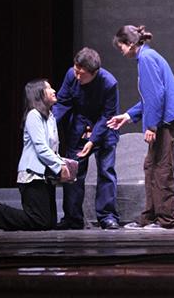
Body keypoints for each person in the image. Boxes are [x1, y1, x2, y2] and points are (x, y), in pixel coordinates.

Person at [107, 25, 174, 230]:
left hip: (166, 120)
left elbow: (156, 96)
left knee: (161, 168)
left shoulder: (146, 58)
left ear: (130, 44)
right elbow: (149, 97)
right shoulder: (147, 57)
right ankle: (151, 217)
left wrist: (151, 126)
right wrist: (128, 116)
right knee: (152, 166)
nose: (121, 52)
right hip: (166, 117)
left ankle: (166, 220)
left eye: (121, 47)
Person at [0, 79, 74, 231]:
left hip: (45, 177)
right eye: (48, 88)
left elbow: (52, 149)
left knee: (49, 223)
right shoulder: (34, 115)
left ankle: (1, 214)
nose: (54, 91)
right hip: (33, 175)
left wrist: (65, 166)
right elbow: (41, 148)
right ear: (39, 94)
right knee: (40, 221)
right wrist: (60, 166)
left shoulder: (50, 117)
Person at [52, 47, 120, 230]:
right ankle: (72, 218)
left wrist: (93, 140)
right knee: (73, 172)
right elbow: (62, 102)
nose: (77, 76)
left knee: (106, 172)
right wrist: (49, 124)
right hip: (79, 128)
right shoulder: (71, 75)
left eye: (81, 74)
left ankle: (107, 217)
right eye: (76, 71)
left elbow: (107, 116)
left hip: (104, 131)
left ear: (94, 72)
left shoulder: (109, 83)